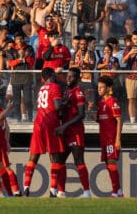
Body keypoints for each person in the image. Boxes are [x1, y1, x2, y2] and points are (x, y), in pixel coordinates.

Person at [22, 68, 66, 197]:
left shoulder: (42, 88)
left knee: (34, 156)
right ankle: (53, 190)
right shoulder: (55, 87)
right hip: (50, 122)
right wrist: (66, 102)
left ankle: (26, 186)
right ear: (52, 75)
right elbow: (57, 106)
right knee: (54, 156)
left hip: (38, 122)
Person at [55, 68, 91, 198]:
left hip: (75, 132)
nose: (68, 79)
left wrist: (64, 125)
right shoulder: (66, 92)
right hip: (65, 132)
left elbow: (81, 114)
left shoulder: (78, 92)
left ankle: (86, 192)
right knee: (59, 160)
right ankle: (61, 192)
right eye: (67, 76)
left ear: (77, 78)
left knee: (79, 161)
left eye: (71, 77)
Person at [95, 75, 124, 198]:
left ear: (108, 88)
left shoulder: (112, 101)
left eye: (102, 87)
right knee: (108, 164)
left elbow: (119, 120)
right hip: (104, 138)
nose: (99, 89)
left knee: (111, 163)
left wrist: (118, 139)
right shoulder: (101, 103)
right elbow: (101, 119)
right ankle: (118, 192)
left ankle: (116, 191)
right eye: (98, 87)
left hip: (111, 138)